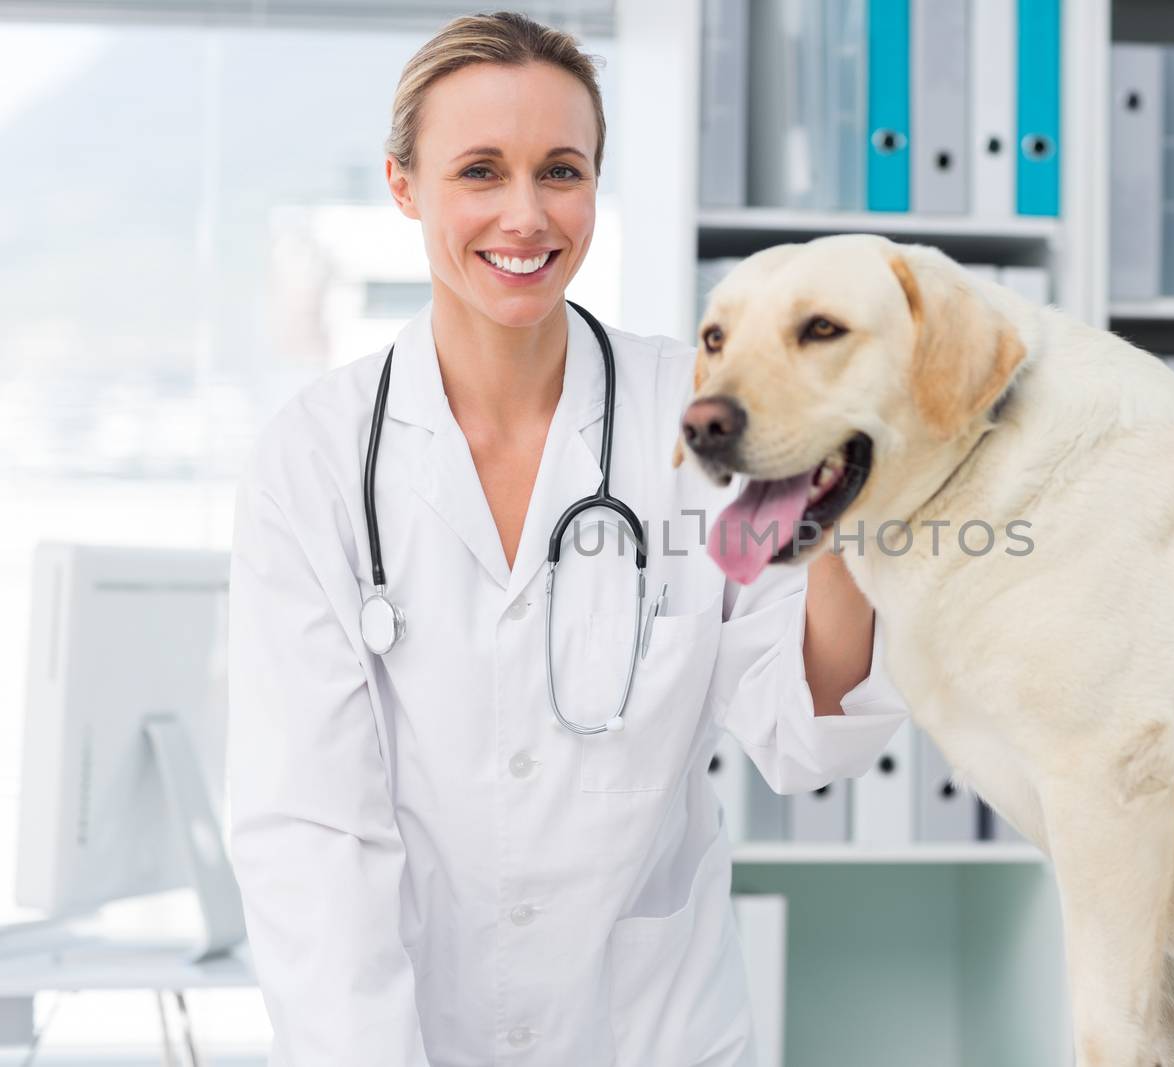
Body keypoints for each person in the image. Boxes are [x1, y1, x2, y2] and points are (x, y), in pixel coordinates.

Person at [225, 11, 908, 1065]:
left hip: (653, 1032)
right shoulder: (314, 459)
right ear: (405, 186)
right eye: (480, 171)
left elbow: (803, 735)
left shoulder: (705, 414)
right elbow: (311, 833)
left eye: (561, 170)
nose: (525, 214)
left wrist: (849, 517)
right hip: (404, 1036)